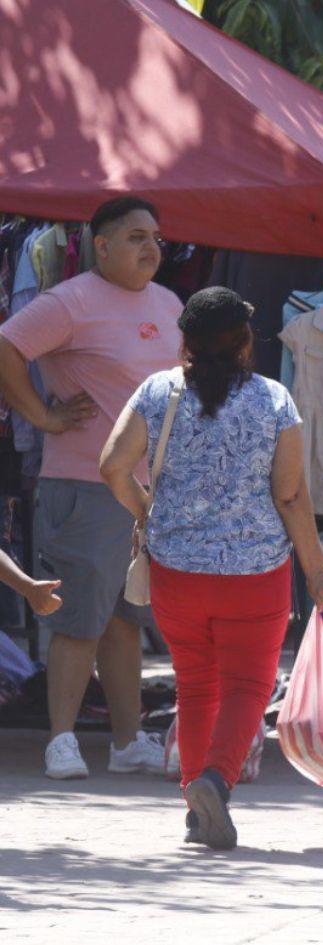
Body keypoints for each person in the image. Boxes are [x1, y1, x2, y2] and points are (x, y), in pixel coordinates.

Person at [100, 287, 323, 850]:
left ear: (184, 341)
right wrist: (318, 572)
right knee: (249, 686)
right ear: (245, 342)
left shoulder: (158, 392)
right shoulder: (274, 401)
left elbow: (112, 465)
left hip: (176, 572)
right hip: (254, 573)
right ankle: (215, 782)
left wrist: (147, 514)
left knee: (197, 685)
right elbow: (290, 496)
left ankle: (194, 807)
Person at [0, 196, 182, 780]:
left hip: (148, 493)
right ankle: (61, 741)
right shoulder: (69, 300)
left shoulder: (170, 302)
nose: (150, 247)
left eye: (155, 236)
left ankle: (127, 742)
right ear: (100, 246)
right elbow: (5, 347)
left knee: (124, 618)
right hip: (83, 482)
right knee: (75, 612)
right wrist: (42, 416)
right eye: (134, 237)